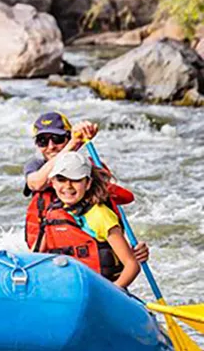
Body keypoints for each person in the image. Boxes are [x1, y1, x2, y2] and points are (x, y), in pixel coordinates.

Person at [22, 111, 149, 263]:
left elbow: (110, 216)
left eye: (57, 139)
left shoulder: (89, 168)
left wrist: (131, 250)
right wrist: (74, 143)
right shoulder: (36, 166)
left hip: (92, 260)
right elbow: (37, 183)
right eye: (42, 141)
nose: (51, 146)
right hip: (55, 260)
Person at [30, 152, 144, 289]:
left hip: (102, 290)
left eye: (76, 179)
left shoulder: (100, 215)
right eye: (61, 179)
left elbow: (132, 265)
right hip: (67, 289)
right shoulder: (51, 214)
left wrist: (111, 292)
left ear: (88, 183)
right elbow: (34, 258)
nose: (68, 186)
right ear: (52, 182)